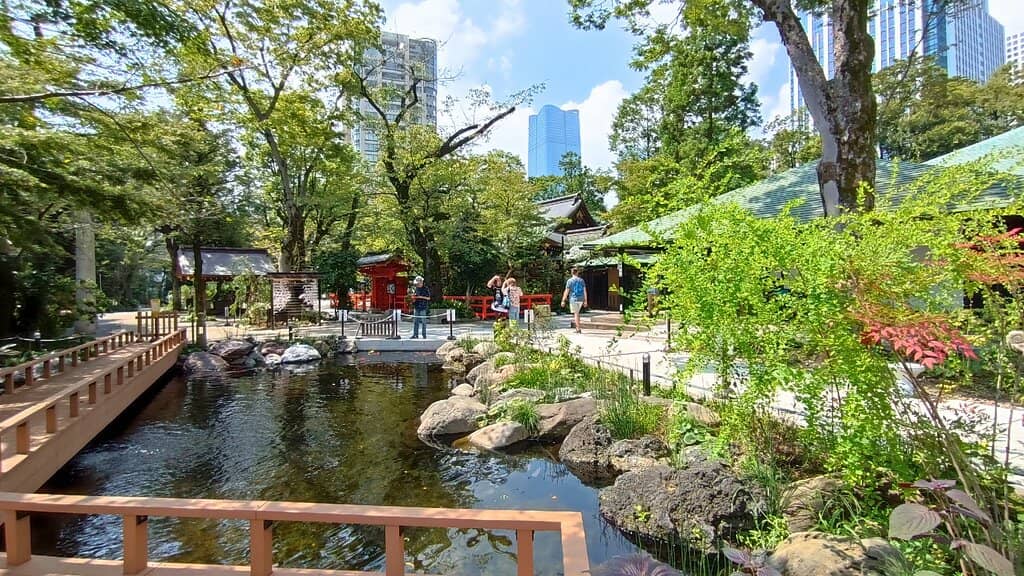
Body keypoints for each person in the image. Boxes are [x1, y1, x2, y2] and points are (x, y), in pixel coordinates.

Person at [561, 267, 588, 334]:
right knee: (577, 313)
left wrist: (563, 300)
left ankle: (578, 329)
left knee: (576, 314)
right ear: (577, 273)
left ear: (571, 273)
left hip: (573, 298)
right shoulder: (581, 280)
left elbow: (566, 291)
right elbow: (584, 291)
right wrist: (585, 301)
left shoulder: (570, 281)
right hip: (581, 298)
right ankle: (578, 327)